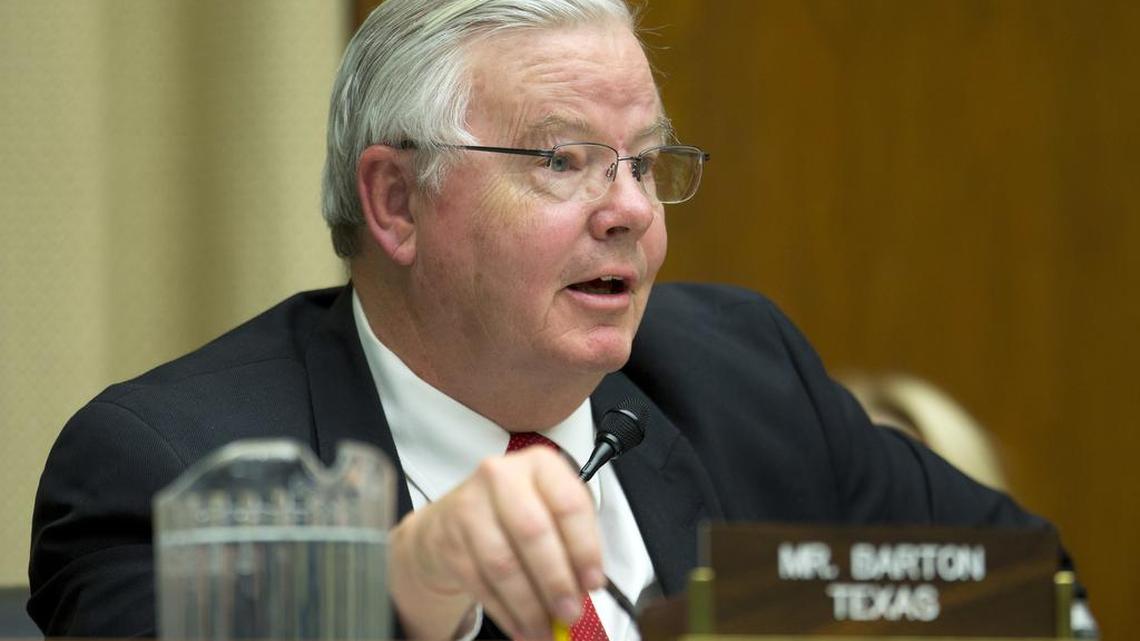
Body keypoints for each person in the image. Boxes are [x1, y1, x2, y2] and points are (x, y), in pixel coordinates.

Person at [27, 1, 1067, 640]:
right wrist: (408, 581)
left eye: (646, 162)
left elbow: (1024, 593)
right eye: (562, 160)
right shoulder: (171, 460)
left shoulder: (741, 375)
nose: (630, 210)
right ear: (395, 201)